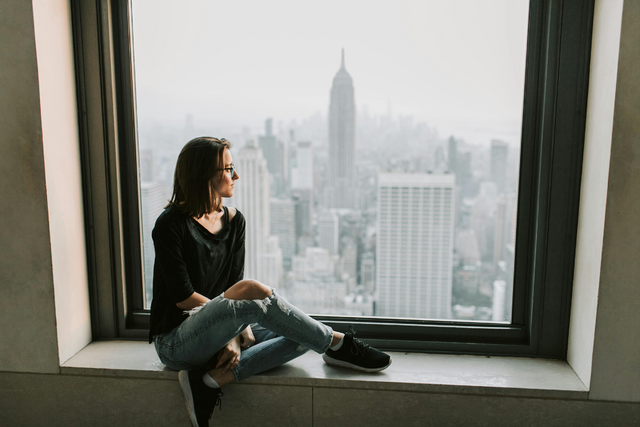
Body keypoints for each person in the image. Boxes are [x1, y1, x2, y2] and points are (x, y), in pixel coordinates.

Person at [150, 137, 391, 427]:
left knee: (300, 333)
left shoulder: (235, 220)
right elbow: (185, 297)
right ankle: (337, 343)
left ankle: (212, 381)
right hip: (178, 342)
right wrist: (233, 333)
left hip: (218, 327)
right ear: (204, 175)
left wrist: (235, 329)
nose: (235, 175)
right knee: (254, 291)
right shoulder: (170, 224)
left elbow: (230, 286)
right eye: (228, 169)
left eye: (233, 167)